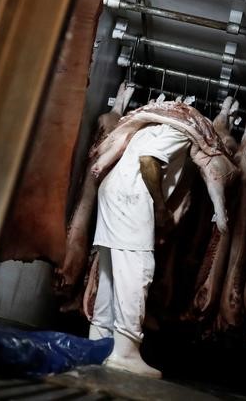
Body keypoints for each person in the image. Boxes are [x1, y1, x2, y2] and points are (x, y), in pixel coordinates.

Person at [88, 122, 192, 378]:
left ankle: (96, 345)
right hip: (131, 199)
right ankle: (125, 353)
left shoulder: (151, 128)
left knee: (109, 276)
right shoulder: (180, 132)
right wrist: (159, 207)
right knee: (137, 270)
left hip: (113, 193)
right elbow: (148, 161)